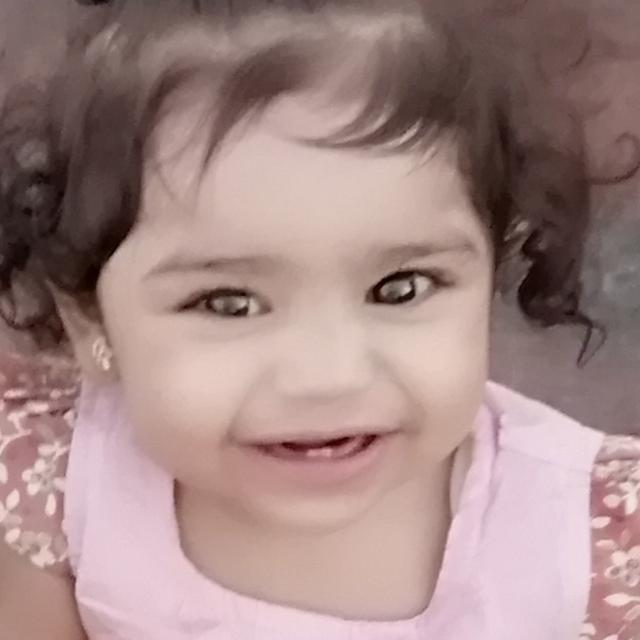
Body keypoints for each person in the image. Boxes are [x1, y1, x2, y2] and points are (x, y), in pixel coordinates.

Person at [0, 1, 638, 638]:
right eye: (228, 303)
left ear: (494, 264)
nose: (328, 377)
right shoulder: (62, 486)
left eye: (400, 289)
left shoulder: (589, 548)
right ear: (90, 322)